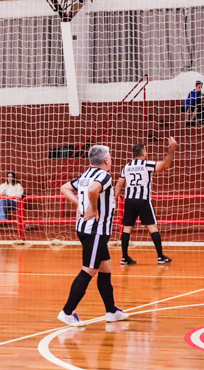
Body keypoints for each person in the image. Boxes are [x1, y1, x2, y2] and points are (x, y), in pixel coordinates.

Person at [58, 145, 129, 327]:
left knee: (105, 270)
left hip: (87, 229)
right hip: (95, 230)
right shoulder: (104, 176)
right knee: (89, 269)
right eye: (110, 156)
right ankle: (67, 312)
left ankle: (111, 311)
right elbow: (92, 191)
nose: (111, 159)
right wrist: (94, 209)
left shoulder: (85, 175)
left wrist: (80, 204)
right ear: (106, 160)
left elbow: (65, 188)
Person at [115, 138, 178, 265]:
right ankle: (160, 256)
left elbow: (119, 184)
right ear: (144, 153)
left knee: (127, 228)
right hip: (143, 199)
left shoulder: (126, 167)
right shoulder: (146, 164)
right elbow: (165, 165)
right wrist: (172, 149)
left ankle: (124, 257)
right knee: (152, 227)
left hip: (129, 200)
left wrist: (114, 198)